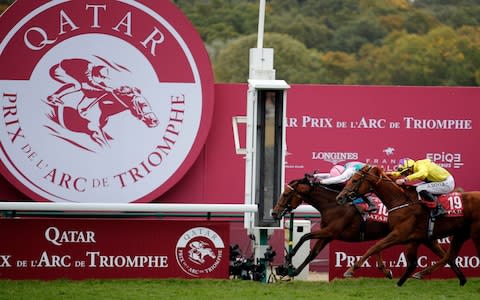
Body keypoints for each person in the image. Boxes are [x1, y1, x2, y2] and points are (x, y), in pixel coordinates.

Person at [389, 158, 454, 216]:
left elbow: (422, 173)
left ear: (410, 168)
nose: (406, 174)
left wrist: (405, 179)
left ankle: (439, 208)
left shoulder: (420, 164)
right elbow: (398, 174)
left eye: (406, 172)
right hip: (438, 181)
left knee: (420, 188)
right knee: (414, 187)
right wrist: (386, 174)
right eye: (405, 173)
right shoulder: (412, 167)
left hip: (446, 183)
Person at [47, 58, 113, 114]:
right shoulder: (87, 70)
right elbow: (91, 83)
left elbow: (87, 84)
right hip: (58, 70)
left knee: (78, 84)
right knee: (77, 85)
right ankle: (54, 97)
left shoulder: (91, 68)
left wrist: (103, 89)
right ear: (97, 73)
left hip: (65, 70)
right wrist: (104, 88)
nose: (102, 79)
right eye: (102, 77)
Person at [314, 161, 378, 213]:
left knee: (357, 187)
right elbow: (331, 176)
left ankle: (372, 204)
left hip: (372, 177)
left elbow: (341, 178)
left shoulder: (350, 170)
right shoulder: (344, 168)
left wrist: (321, 182)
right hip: (367, 174)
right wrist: (316, 176)